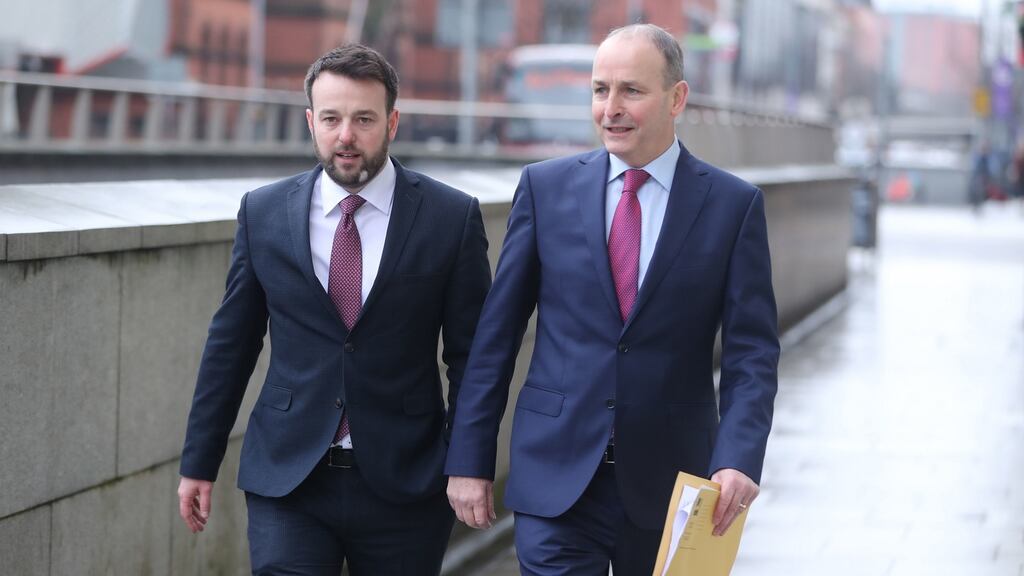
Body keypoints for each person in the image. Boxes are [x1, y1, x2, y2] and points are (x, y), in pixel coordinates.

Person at [445, 24, 779, 575]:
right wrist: (469, 460)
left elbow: (752, 354)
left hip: (672, 484)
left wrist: (739, 459)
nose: (611, 109)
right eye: (601, 90)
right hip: (554, 477)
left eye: (631, 91)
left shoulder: (732, 206)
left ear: (677, 98)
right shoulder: (544, 189)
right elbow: (495, 339)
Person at [176, 43, 491, 575]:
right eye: (332, 118)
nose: (346, 135)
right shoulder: (263, 213)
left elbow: (472, 358)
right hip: (289, 479)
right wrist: (198, 462)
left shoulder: (450, 218)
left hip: (406, 481)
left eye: (363, 119)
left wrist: (467, 464)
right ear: (310, 122)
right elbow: (231, 345)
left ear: (392, 122)